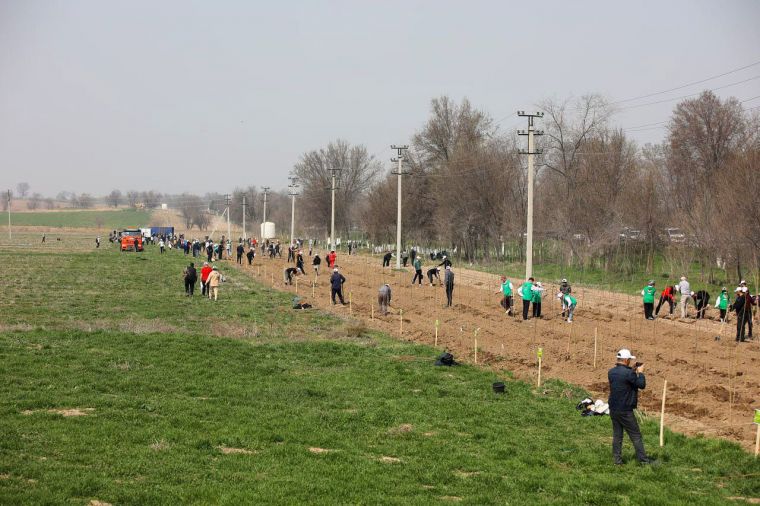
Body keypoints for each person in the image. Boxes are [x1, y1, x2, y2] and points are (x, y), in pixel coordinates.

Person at [608, 349, 650, 465]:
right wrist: (640, 372)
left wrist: (632, 370)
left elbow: (624, 379)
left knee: (617, 435)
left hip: (613, 408)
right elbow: (641, 385)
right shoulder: (628, 374)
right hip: (625, 410)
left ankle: (617, 461)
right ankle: (643, 461)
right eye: (630, 360)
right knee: (636, 435)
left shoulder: (611, 372)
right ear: (626, 360)